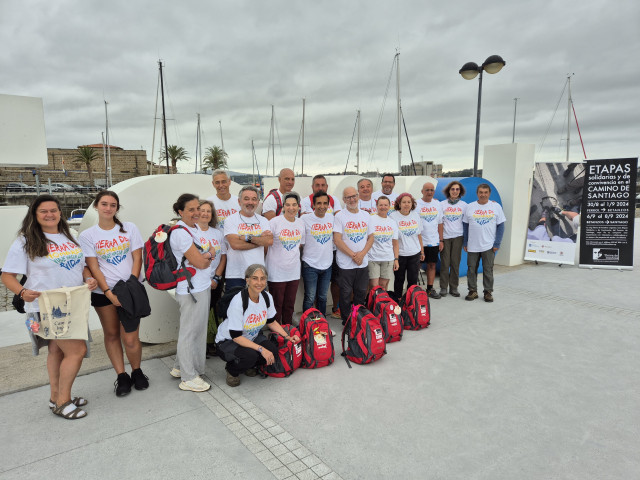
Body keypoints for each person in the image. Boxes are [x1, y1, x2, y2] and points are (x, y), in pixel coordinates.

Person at [1, 195, 98, 419]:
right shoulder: (25, 241)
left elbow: (81, 265)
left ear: (60, 213)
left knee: (56, 350)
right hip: (46, 306)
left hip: (73, 302)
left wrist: (88, 278)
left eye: (53, 210)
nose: (49, 214)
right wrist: (22, 292)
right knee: (77, 351)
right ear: (34, 215)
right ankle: (63, 402)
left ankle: (56, 396)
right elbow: (7, 276)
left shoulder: (70, 235)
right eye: (43, 211)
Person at [79, 191, 148, 397]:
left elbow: (138, 258)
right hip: (103, 293)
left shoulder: (129, 229)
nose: (108, 208)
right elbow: (93, 266)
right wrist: (108, 293)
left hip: (130, 290)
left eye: (113, 205)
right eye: (104, 204)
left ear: (117, 208)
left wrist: (131, 286)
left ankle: (137, 371)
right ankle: (122, 376)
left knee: (130, 337)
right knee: (111, 334)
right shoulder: (87, 236)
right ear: (96, 206)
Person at [215, 264, 301, 387]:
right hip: (228, 341)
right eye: (255, 278)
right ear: (247, 280)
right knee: (252, 355)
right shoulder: (238, 302)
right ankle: (232, 370)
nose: (259, 282)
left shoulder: (266, 297)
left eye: (263, 278)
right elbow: (236, 336)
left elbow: (271, 321)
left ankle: (248, 364)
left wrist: (287, 336)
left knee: (273, 351)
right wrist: (261, 349)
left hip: (251, 337)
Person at [169, 194, 216, 392]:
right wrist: (209, 256)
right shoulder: (181, 233)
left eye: (198, 208)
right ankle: (189, 377)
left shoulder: (194, 228)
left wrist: (207, 256)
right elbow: (201, 261)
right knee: (190, 332)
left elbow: (205, 255)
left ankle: (180, 367)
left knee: (195, 329)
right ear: (180, 212)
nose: (196, 213)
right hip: (190, 290)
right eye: (191, 209)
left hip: (200, 286)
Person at [333, 186, 374, 324]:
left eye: (354, 196)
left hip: (362, 262)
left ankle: (358, 317)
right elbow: (337, 239)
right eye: (348, 197)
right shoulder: (339, 216)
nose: (352, 199)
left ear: (358, 196)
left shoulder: (366, 215)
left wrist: (361, 255)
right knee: (345, 294)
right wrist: (353, 255)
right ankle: (347, 320)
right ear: (344, 200)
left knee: (361, 292)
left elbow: (371, 238)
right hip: (346, 263)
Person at [224, 186, 273, 290]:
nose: (250, 202)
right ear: (239, 201)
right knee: (235, 306)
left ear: (258, 202)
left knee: (259, 306)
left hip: (258, 274)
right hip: (235, 275)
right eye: (246, 199)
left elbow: (268, 241)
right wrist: (260, 240)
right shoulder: (230, 220)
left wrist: (246, 237)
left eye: (254, 199)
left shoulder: (263, 221)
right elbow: (235, 245)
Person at [266, 193, 304, 324]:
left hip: (293, 272)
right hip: (276, 273)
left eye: (294, 205)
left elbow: (299, 245)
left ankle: (287, 331)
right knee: (276, 306)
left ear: (298, 207)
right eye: (288, 205)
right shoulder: (274, 222)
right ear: (283, 207)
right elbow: (266, 244)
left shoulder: (300, 223)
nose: (291, 208)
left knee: (289, 305)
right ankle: (276, 335)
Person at [463, 184, 506, 302]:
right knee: (471, 269)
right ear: (477, 193)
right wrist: (465, 242)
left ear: (489, 193)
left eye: (485, 192)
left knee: (488, 269)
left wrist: (497, 243)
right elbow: (465, 226)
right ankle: (472, 291)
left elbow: (501, 226)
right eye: (481, 192)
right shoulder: (470, 207)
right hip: (472, 245)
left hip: (489, 245)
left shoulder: (495, 206)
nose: (483, 194)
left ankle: (488, 292)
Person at [197, 200, 227, 357]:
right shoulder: (192, 233)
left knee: (214, 312)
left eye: (208, 211)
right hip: (198, 282)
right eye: (202, 210)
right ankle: (201, 345)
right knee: (200, 315)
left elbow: (223, 257)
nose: (205, 213)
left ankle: (213, 342)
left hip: (215, 280)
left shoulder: (217, 233)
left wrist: (216, 277)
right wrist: (205, 279)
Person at [301, 191, 334, 315]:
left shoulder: (332, 218)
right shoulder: (305, 218)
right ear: (313, 205)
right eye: (319, 203)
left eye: (325, 203)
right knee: (310, 297)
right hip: (310, 264)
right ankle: (308, 325)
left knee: (322, 297)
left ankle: (322, 324)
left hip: (327, 264)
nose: (322, 206)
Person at [389, 193, 424, 298]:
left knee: (413, 280)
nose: (406, 204)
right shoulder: (393, 216)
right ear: (399, 204)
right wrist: (395, 257)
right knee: (399, 279)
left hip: (415, 253)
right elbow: (392, 239)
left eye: (409, 202)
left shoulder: (415, 215)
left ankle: (410, 300)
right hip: (400, 254)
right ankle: (398, 300)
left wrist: (422, 251)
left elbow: (419, 235)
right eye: (404, 202)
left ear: (412, 204)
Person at [439, 181, 467, 298]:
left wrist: (491, 203)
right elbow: (439, 222)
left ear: (460, 191)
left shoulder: (464, 205)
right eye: (452, 189)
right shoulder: (442, 204)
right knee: (445, 263)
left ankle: (454, 287)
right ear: (448, 191)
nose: (455, 191)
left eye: (457, 189)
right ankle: (444, 287)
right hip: (445, 237)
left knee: (455, 263)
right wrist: (440, 239)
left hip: (458, 237)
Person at [416, 182, 444, 299]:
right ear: (422, 191)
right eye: (427, 190)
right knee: (416, 266)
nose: (429, 192)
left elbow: (440, 223)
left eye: (432, 190)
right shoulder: (416, 204)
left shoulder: (437, 204)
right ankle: (414, 290)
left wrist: (441, 240)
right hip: (419, 242)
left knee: (432, 265)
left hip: (433, 241)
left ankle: (430, 288)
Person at [367, 196, 399, 291]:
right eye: (381, 205)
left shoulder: (392, 222)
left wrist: (396, 259)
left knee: (383, 285)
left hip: (388, 258)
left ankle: (381, 305)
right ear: (376, 206)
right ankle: (372, 304)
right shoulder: (370, 219)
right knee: (374, 286)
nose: (383, 207)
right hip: (373, 258)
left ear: (389, 206)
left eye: (386, 205)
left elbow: (395, 243)